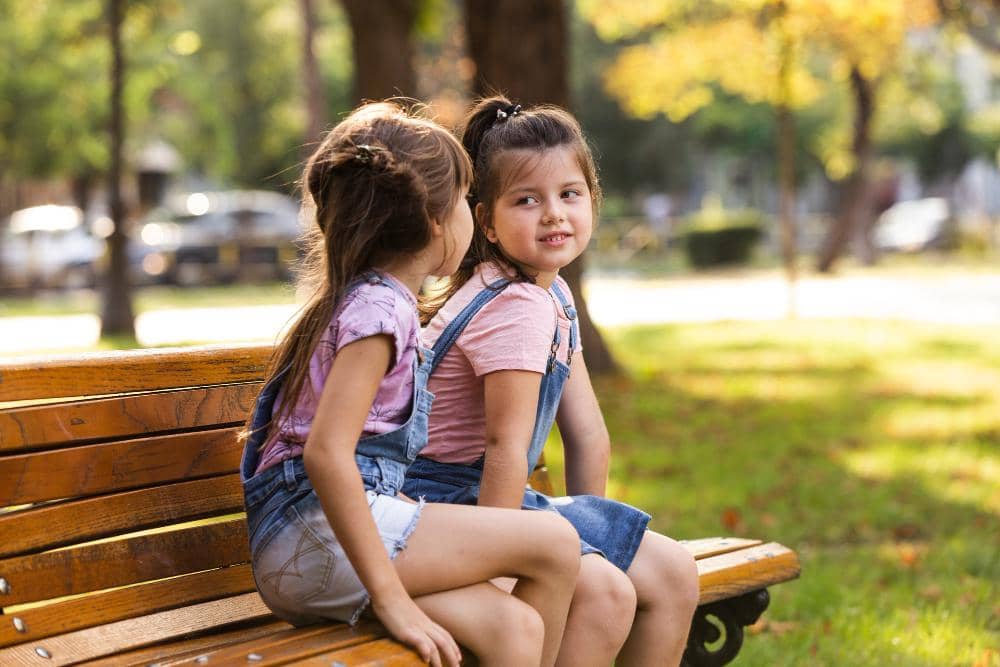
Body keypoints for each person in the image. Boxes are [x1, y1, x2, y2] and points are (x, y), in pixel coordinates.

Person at [240, 101, 581, 667]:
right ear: (435, 221)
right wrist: (393, 599)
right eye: (464, 200)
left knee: (514, 628)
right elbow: (327, 454)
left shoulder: (371, 300)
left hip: (313, 545)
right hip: (314, 540)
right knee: (553, 544)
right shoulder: (382, 311)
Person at [403, 96, 700, 666]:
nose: (553, 214)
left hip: (490, 497)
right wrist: (499, 570)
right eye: (527, 200)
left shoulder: (551, 295)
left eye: (569, 194)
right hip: (444, 503)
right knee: (608, 594)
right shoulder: (513, 306)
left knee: (672, 575)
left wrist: (593, 541)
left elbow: (588, 434)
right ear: (485, 219)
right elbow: (503, 449)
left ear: (594, 200)